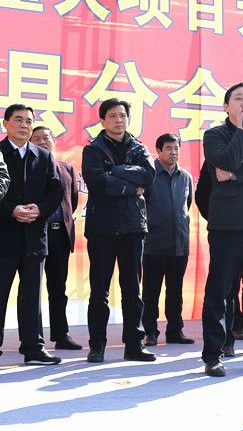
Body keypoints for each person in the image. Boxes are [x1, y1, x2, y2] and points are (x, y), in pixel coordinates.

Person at [82, 98, 156, 363]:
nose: (118, 120)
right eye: (112, 115)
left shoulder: (139, 147)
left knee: (132, 290)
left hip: (133, 227)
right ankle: (97, 345)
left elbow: (148, 176)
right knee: (99, 290)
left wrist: (116, 170)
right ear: (103, 120)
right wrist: (130, 187)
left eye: (122, 115)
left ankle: (134, 345)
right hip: (102, 228)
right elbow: (98, 182)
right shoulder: (93, 149)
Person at [201, 82, 243, 377]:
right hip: (227, 227)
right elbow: (225, 161)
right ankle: (213, 354)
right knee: (220, 291)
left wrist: (236, 175)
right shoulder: (214, 136)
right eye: (238, 99)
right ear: (226, 106)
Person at [0, 104, 63, 364]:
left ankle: (34, 348)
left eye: (28, 121)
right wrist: (11, 210)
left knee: (32, 296)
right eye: (18, 120)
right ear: (5, 123)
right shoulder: (0, 153)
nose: (24, 125)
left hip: (35, 237)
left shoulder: (44, 156)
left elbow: (56, 191)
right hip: (4, 236)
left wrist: (40, 209)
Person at [26, 126, 82, 350]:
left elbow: (72, 201)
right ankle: (31, 338)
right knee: (31, 289)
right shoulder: (28, 168)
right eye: (36, 138)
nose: (42, 141)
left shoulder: (66, 168)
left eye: (46, 137)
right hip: (33, 236)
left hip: (59, 236)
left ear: (54, 141)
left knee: (58, 288)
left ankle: (61, 335)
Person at [142, 133, 194, 347]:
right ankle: (150, 332)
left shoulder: (186, 177)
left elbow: (187, 205)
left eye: (176, 148)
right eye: (168, 148)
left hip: (179, 244)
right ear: (159, 151)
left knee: (175, 291)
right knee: (151, 292)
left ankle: (175, 331)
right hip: (153, 244)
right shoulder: (149, 174)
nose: (173, 152)